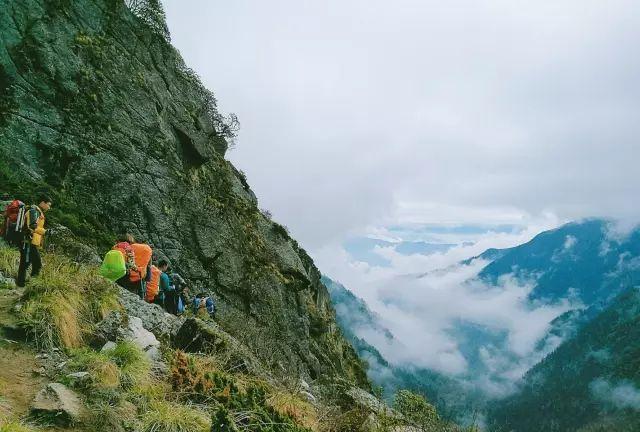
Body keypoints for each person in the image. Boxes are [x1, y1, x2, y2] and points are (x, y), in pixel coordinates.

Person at [16, 195, 52, 287]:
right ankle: (32, 285)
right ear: (42, 203)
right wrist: (45, 232)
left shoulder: (36, 211)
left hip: (29, 241)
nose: (49, 207)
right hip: (28, 241)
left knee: (25, 263)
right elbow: (32, 226)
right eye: (48, 204)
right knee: (37, 264)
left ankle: (21, 284)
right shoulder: (34, 211)